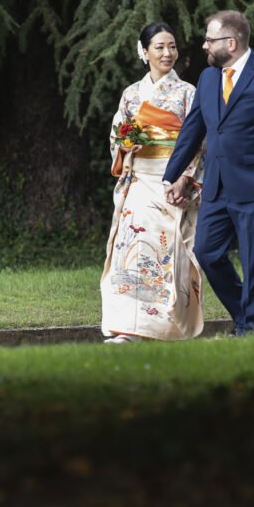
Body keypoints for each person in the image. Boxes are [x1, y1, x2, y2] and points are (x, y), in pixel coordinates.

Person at [163, 10, 254, 336]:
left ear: (231, 42)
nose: (204, 46)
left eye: (210, 40)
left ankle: (251, 326)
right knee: (208, 253)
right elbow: (193, 130)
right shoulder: (209, 78)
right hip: (217, 185)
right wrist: (170, 176)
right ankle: (248, 315)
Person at [99, 22, 205, 344]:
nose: (167, 53)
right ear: (144, 52)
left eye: (171, 46)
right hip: (140, 179)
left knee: (167, 254)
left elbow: (200, 139)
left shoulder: (188, 93)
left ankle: (164, 327)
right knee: (128, 249)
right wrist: (126, 144)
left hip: (172, 182)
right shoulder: (131, 94)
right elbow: (118, 134)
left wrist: (185, 179)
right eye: (159, 47)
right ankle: (126, 328)